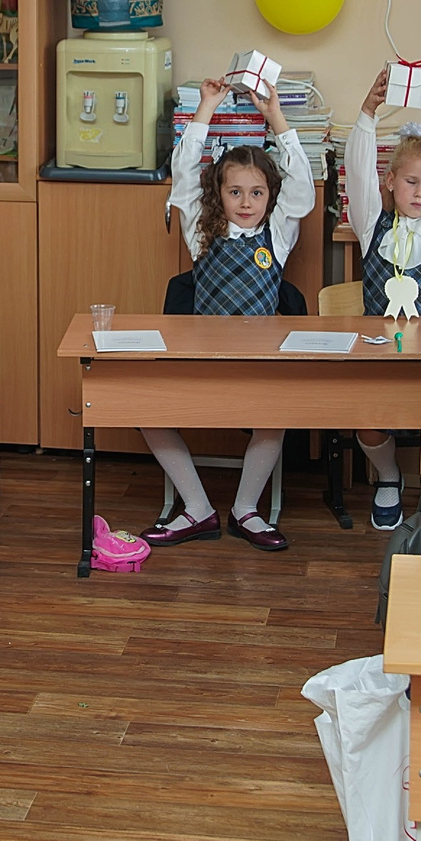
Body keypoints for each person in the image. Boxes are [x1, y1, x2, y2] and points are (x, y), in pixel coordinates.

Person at [142, 77, 316, 551]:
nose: (245, 203)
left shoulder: (277, 236)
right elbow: (182, 176)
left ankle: (245, 509)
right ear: (217, 195)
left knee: (274, 415)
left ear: (269, 198)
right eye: (235, 192)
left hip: (257, 366)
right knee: (143, 409)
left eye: (256, 193)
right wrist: (205, 109)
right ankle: (197, 509)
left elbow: (302, 186)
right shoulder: (201, 233)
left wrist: (276, 117)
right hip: (201, 362)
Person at [343, 63, 421, 529]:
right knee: (367, 415)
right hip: (379, 352)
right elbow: (356, 170)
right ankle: (389, 476)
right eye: (411, 182)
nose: (420, 192)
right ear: (391, 181)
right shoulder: (371, 223)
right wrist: (368, 110)